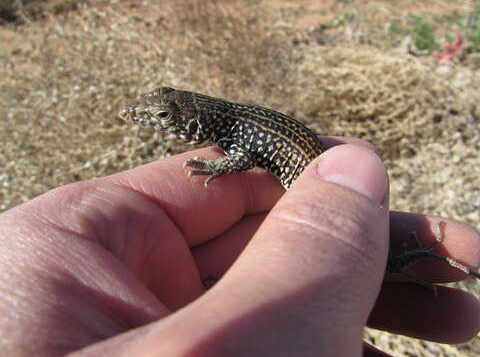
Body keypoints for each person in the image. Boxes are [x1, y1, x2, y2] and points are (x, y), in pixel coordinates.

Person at [0, 138, 479, 357]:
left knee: (389, 264)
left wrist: (218, 169)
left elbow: (245, 158)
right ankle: (431, 254)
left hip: (324, 189)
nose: (150, 124)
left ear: (194, 122)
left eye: (165, 120)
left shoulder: (235, 139)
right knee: (385, 267)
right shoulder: (232, 129)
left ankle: (430, 254)